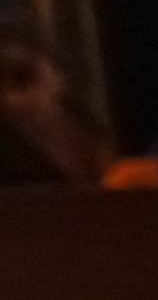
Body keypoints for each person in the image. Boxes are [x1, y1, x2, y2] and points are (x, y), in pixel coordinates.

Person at [0, 17, 106, 186]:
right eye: (1, 90)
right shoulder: (7, 153)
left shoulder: (85, 124)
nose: (12, 100)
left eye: (23, 77)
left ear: (56, 71)